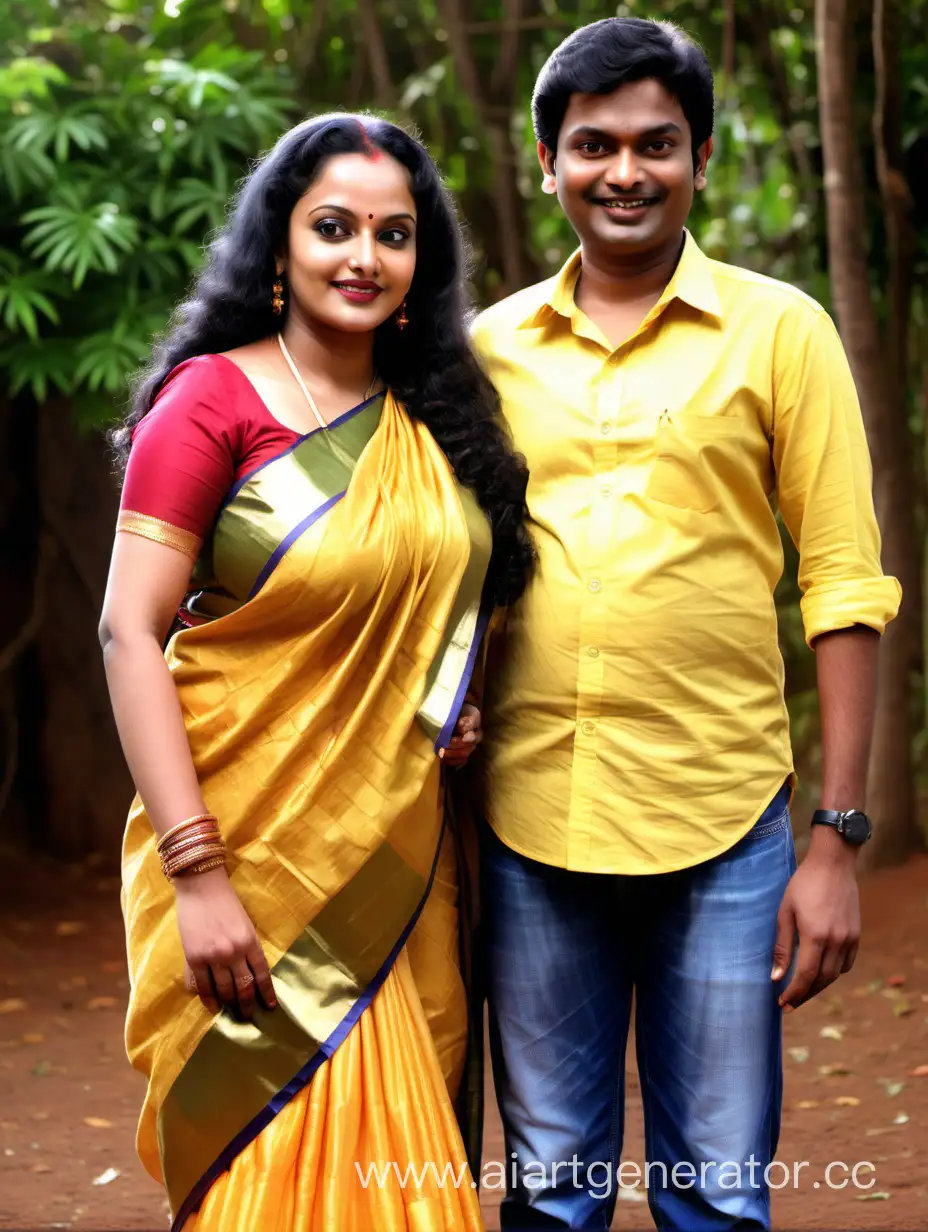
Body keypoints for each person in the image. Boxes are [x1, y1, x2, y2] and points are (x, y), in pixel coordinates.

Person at [470, 17, 901, 1232]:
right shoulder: (484, 348)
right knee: (550, 1183)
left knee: (715, 1186)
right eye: (593, 144)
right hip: (526, 820)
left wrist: (837, 837)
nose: (624, 171)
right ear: (544, 161)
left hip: (724, 826)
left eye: (655, 144)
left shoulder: (783, 331)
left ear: (700, 158)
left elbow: (843, 582)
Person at [99, 112, 533, 1232]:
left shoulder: (436, 421)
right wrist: (198, 876)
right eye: (333, 225)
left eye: (395, 234)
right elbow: (127, 632)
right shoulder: (211, 399)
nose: (363, 255)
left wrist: (453, 697)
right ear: (278, 244)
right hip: (247, 860)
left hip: (394, 859)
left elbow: (435, 610)